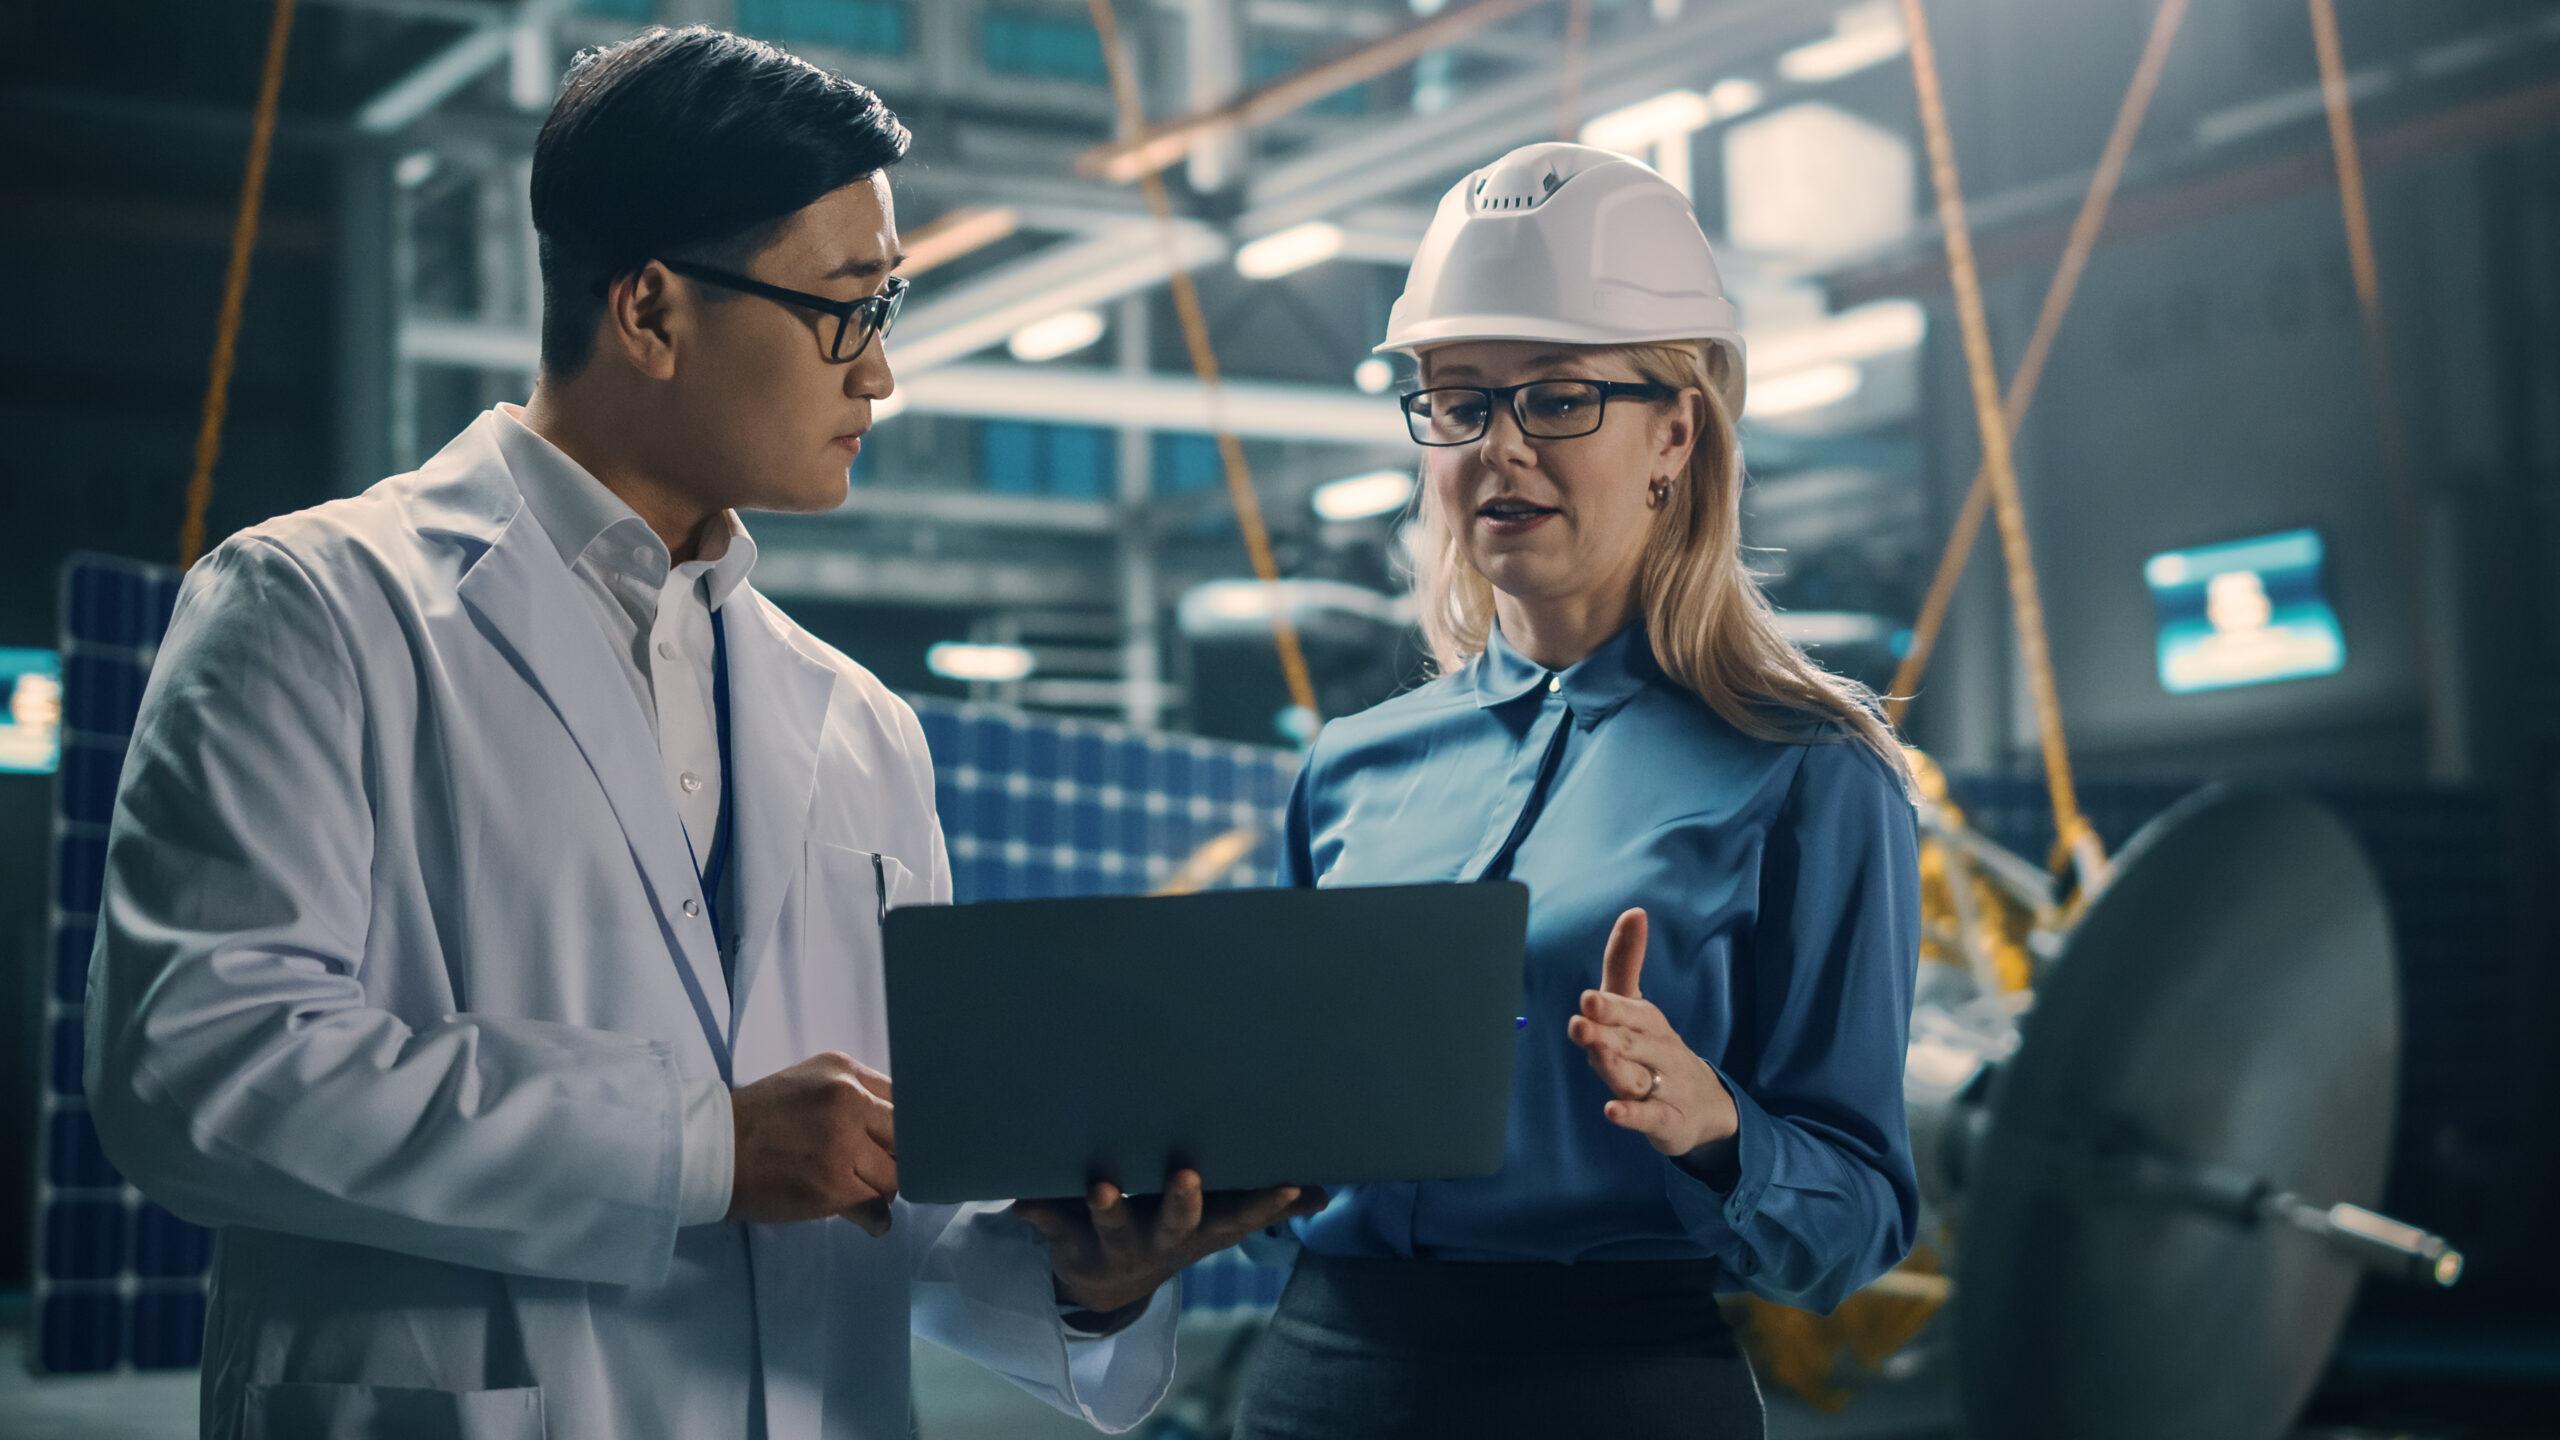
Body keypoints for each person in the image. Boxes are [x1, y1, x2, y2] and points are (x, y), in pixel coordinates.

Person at [85, 27, 1311, 1440]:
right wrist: (697, 1146)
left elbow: (880, 1199)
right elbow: (200, 1067)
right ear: (652, 313)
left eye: (890, 309)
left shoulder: (858, 725)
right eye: (849, 308)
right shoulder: (318, 610)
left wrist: (1086, 1278)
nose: (881, 377)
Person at [1231, 143, 1923, 1439]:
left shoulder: (1809, 774)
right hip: (1327, 1376)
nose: (1499, 448)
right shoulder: (1351, 770)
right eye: (1457, 400)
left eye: (1555, 401)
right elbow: (1287, 1133)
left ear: (1676, 431)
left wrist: (1719, 1129)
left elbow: (1859, 1220)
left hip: (1610, 1391)